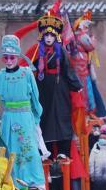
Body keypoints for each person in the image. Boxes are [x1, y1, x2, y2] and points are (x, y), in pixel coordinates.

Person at [0, 35, 44, 190]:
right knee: (9, 149)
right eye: (5, 57)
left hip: (25, 117)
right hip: (8, 118)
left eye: (12, 57)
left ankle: (33, 181)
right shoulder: (0, 77)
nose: (9, 60)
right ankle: (12, 183)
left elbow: (35, 97)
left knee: (29, 148)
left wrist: (35, 118)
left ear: (17, 57)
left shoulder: (26, 74)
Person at [32, 11, 83, 160]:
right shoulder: (37, 51)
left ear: (56, 37)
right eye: (46, 35)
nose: (48, 38)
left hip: (59, 87)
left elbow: (68, 69)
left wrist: (76, 85)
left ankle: (63, 150)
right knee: (44, 116)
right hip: (43, 87)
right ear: (43, 36)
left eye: (51, 35)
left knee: (61, 116)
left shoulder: (60, 51)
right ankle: (45, 149)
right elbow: (31, 68)